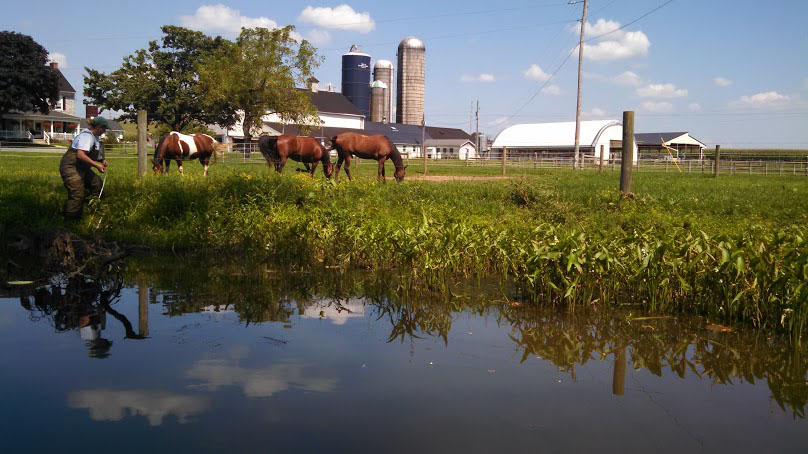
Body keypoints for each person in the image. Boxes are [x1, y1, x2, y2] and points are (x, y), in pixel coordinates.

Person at [59, 116, 109, 219]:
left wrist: (101, 161)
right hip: (71, 167)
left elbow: (91, 153)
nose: (104, 131)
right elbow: (80, 155)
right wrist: (97, 165)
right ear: (99, 127)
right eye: (104, 129)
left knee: (97, 184)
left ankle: (89, 209)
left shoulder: (95, 137)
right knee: (77, 194)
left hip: (82, 168)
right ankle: (70, 220)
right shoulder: (87, 136)